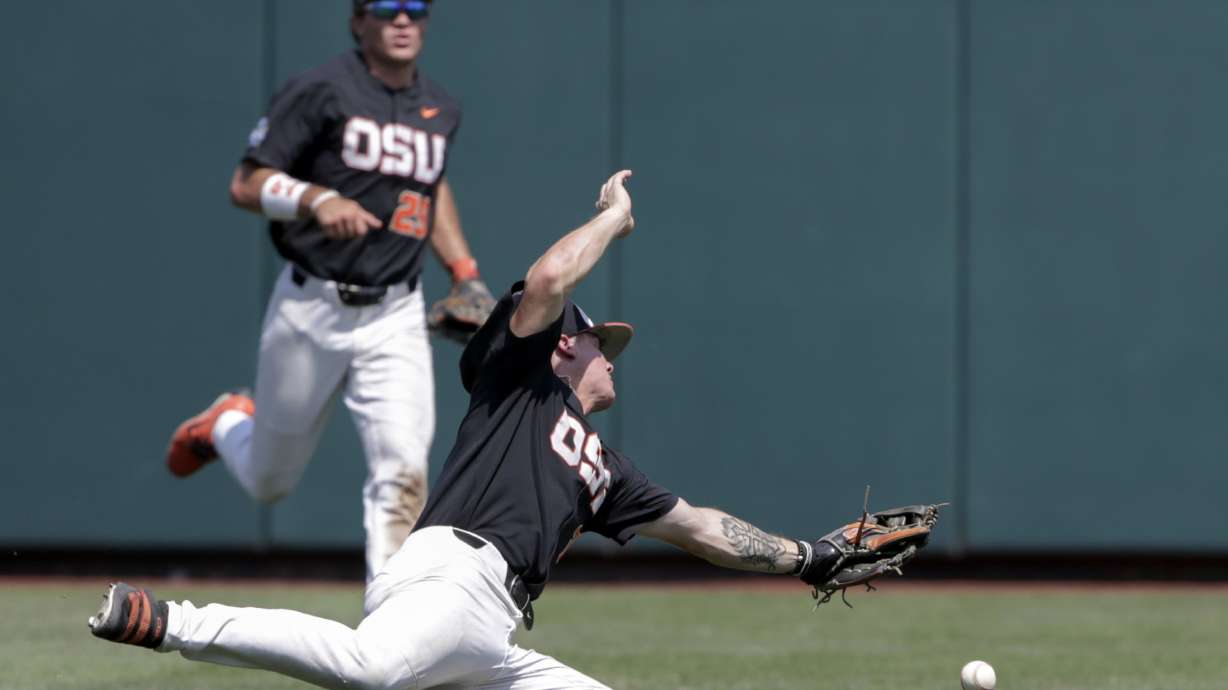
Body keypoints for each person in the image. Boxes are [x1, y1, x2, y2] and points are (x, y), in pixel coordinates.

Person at [91, 171, 917, 689]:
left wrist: (805, 556)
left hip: (492, 636)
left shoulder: (605, 470)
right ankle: (172, 622)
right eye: (603, 342)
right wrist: (614, 219)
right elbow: (554, 275)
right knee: (370, 669)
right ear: (565, 345)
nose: (611, 356)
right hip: (447, 580)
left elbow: (701, 529)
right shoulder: (516, 382)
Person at [164, 0, 495, 582]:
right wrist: (315, 199)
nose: (402, 19)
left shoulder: (441, 107)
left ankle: (393, 627)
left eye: (415, 7)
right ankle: (226, 421)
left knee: (403, 470)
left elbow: (430, 188)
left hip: (396, 311)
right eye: (386, 7)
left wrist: (463, 269)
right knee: (271, 481)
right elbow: (245, 184)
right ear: (357, 20)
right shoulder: (319, 89)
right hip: (310, 306)